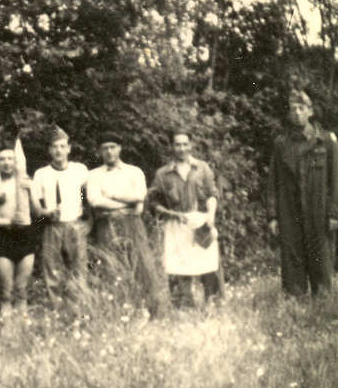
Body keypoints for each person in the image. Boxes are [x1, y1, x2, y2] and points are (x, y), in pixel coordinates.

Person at [266, 89, 338, 296]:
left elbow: (337, 179)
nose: (297, 113)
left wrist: (335, 212)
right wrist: (273, 215)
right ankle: (295, 304)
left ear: (310, 111)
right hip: (290, 212)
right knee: (292, 259)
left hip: (319, 211)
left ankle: (323, 304)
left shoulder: (326, 141)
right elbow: (273, 181)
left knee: (321, 259)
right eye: (293, 109)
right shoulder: (282, 144)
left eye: (301, 108)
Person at [87, 132, 166, 318]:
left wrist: (112, 197)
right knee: (112, 266)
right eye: (105, 148)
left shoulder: (134, 172)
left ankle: (153, 311)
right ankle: (119, 312)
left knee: (143, 264)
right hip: (106, 224)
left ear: (120, 148)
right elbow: (94, 200)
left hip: (133, 224)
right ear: (99, 151)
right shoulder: (93, 175)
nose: (109, 152)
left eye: (112, 147)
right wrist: (125, 206)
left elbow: (140, 196)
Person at [149, 132, 223, 307]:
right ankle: (183, 307)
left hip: (201, 221)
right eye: (177, 145)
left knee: (208, 265)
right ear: (171, 147)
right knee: (177, 267)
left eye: (185, 144)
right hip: (176, 224)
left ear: (190, 145)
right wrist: (172, 214)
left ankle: (212, 304)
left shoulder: (202, 168)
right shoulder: (163, 173)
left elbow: (212, 194)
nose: (181, 148)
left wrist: (211, 215)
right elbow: (153, 202)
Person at [31, 127, 90, 306]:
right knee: (52, 269)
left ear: (69, 149)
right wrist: (46, 213)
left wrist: (88, 223)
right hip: (52, 226)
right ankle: (56, 308)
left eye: (62, 146)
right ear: (49, 150)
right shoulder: (41, 174)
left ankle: (78, 308)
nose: (58, 151)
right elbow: (36, 209)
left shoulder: (80, 170)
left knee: (78, 268)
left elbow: (87, 198)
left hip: (75, 224)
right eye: (54, 147)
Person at [0, 148, 41, 319]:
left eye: (10, 159)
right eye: (2, 159)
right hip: (4, 237)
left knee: (21, 289)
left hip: (25, 237)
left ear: (17, 163)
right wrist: (7, 222)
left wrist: (31, 191)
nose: (7, 162)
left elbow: (38, 212)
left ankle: (22, 326)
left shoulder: (26, 183)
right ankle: (8, 328)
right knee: (6, 290)